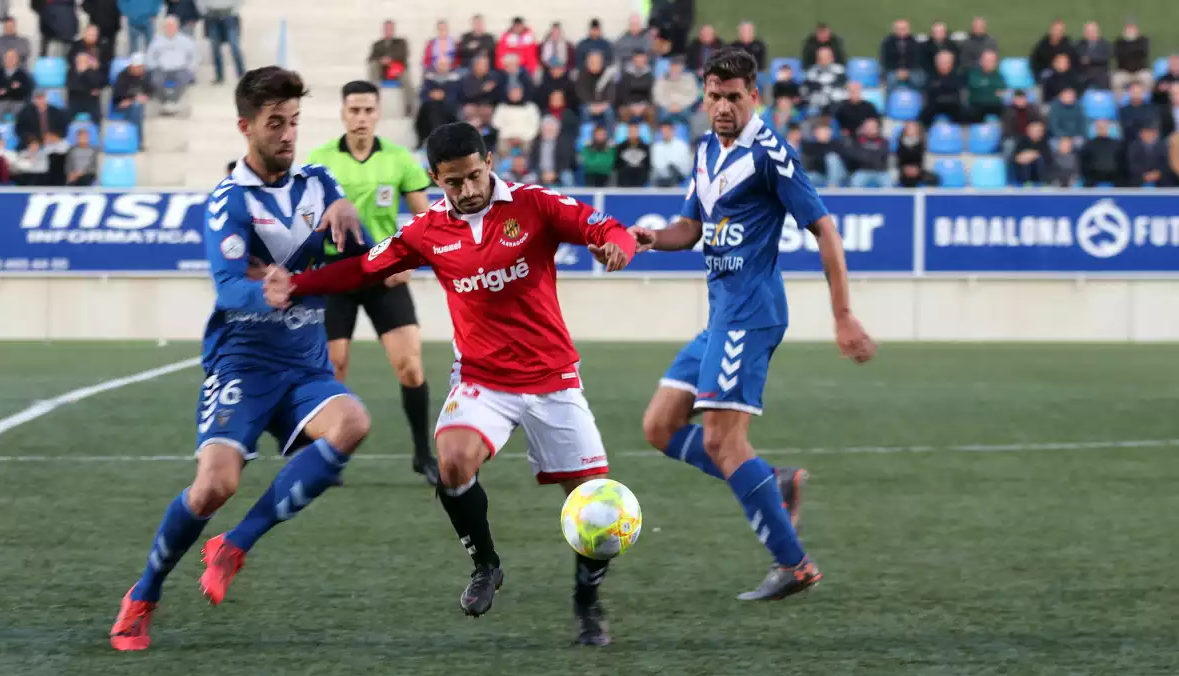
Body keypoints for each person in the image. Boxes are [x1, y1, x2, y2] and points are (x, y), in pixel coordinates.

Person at [272, 121, 639, 646]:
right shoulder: (427, 231)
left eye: (473, 176)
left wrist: (617, 246)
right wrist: (300, 284)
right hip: (483, 379)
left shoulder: (533, 205)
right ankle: (486, 565)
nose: (467, 191)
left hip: (552, 378)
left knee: (594, 504)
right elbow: (361, 270)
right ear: (434, 179)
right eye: (453, 182)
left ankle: (587, 601)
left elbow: (604, 226)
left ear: (489, 162)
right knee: (452, 462)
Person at [109, 66, 371, 651]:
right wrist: (265, 291)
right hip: (242, 365)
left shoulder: (320, 180)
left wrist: (349, 210)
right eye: (275, 123)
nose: (287, 134)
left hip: (305, 366)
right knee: (213, 487)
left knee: (353, 421)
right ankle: (143, 594)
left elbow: (347, 232)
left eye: (294, 122)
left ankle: (234, 545)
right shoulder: (229, 201)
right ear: (244, 126)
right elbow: (227, 286)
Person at [632, 48, 876, 601]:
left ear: (754, 97)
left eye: (733, 97)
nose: (722, 107)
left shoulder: (772, 155)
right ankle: (774, 480)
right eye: (714, 96)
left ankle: (794, 563)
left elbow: (826, 232)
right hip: (721, 317)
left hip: (752, 315)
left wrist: (843, 316)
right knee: (659, 427)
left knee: (721, 440)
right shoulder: (705, 150)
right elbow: (690, 228)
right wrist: (650, 238)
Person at [306, 80, 439, 484]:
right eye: (354, 110)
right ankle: (328, 459)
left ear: (378, 113)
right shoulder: (320, 160)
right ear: (343, 113)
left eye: (368, 110)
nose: (361, 117)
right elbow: (305, 219)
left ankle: (422, 454)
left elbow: (429, 220)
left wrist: (411, 263)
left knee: (410, 367)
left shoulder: (399, 160)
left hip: (385, 273)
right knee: (334, 367)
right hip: (337, 275)